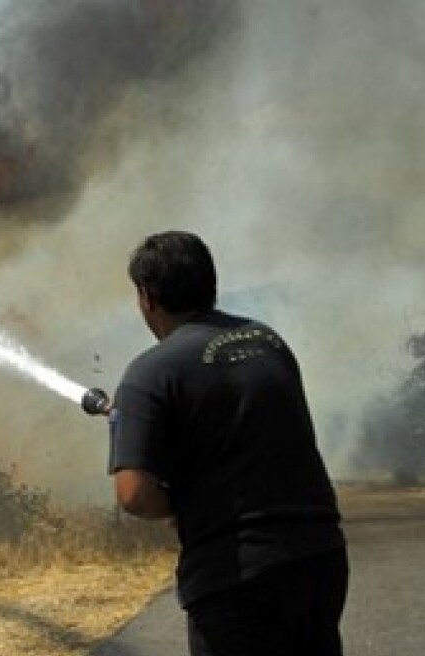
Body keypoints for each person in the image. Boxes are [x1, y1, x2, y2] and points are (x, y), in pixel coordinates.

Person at [108, 230, 348, 656]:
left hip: (236, 575)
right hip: (319, 557)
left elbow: (133, 494)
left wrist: (180, 501)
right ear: (210, 282)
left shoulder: (149, 372)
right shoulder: (268, 341)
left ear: (147, 297)